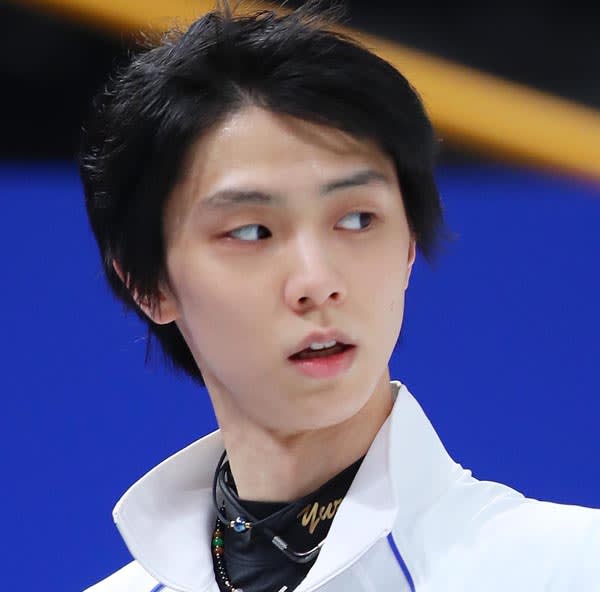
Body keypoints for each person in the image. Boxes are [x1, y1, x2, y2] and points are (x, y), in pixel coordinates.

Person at [79, 2, 600, 591]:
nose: (316, 281)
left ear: (409, 245)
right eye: (251, 232)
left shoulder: (572, 567)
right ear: (148, 284)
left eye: (356, 219)